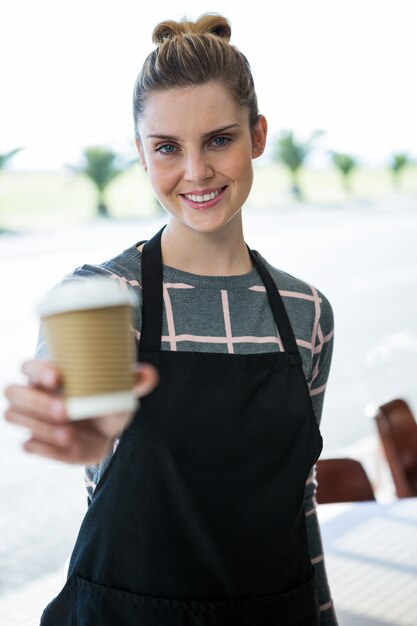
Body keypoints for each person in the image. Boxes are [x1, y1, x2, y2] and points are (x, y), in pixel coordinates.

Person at [4, 13, 338, 625]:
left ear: (257, 136)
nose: (196, 172)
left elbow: (300, 497)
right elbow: (87, 438)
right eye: (166, 148)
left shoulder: (307, 313)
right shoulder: (102, 300)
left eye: (218, 139)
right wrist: (89, 431)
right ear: (140, 153)